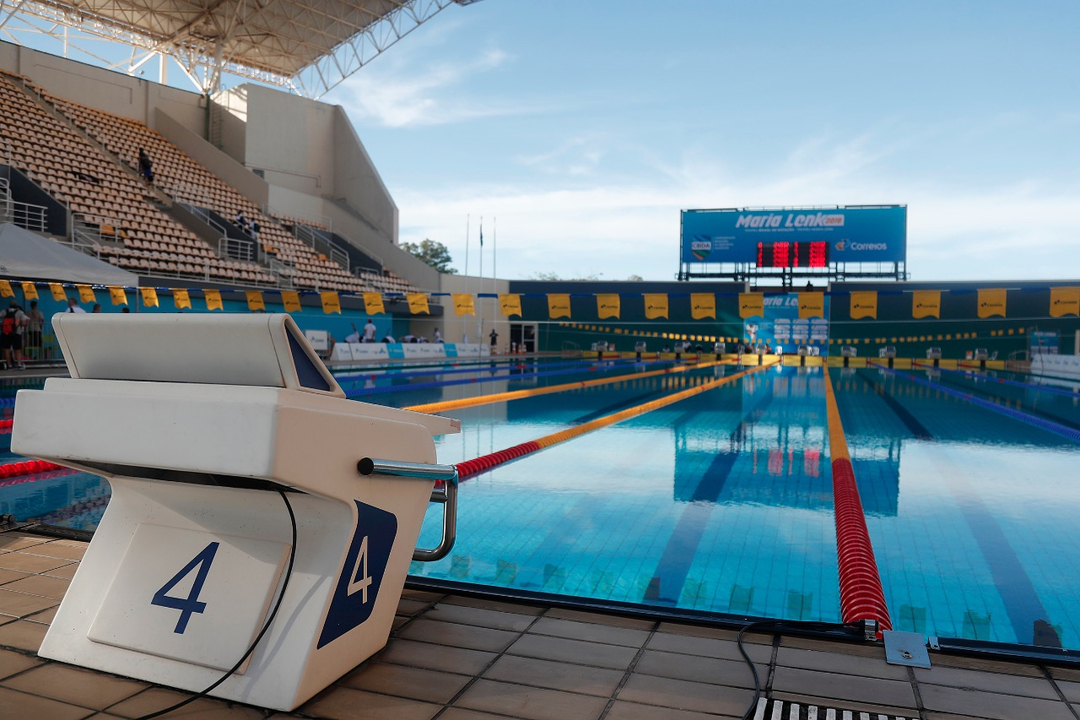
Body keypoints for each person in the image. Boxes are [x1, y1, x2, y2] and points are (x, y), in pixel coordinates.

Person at [1, 302, 28, 370]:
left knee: (7, 349)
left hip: (6, 333)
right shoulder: (19, 312)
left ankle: (9, 365)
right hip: (16, 333)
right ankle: (19, 364)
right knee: (18, 349)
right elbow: (25, 320)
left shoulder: (4, 311)